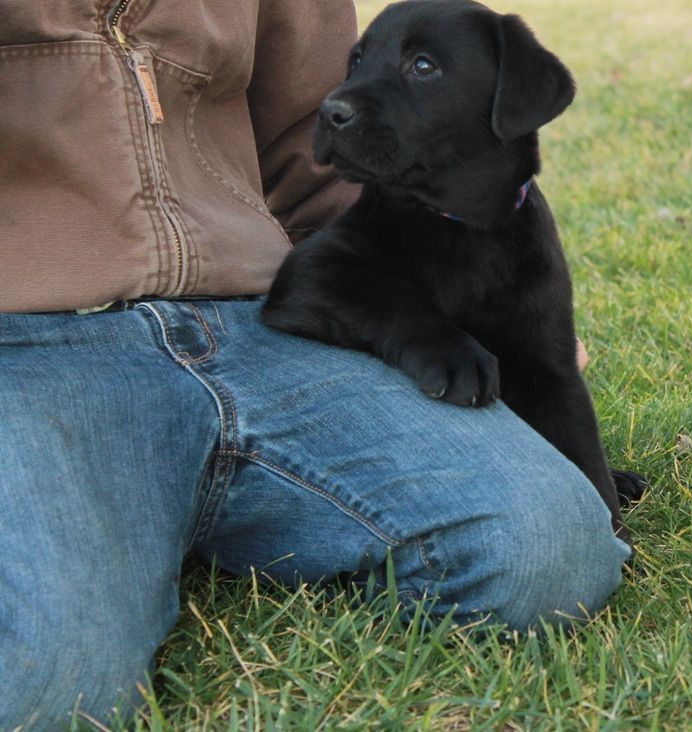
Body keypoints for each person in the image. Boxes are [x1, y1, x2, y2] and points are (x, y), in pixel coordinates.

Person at [0, 1, 631, 727]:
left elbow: (314, 130)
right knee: (47, 682)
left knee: (546, 551)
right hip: (30, 337)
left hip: (256, 317)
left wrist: (451, 308)